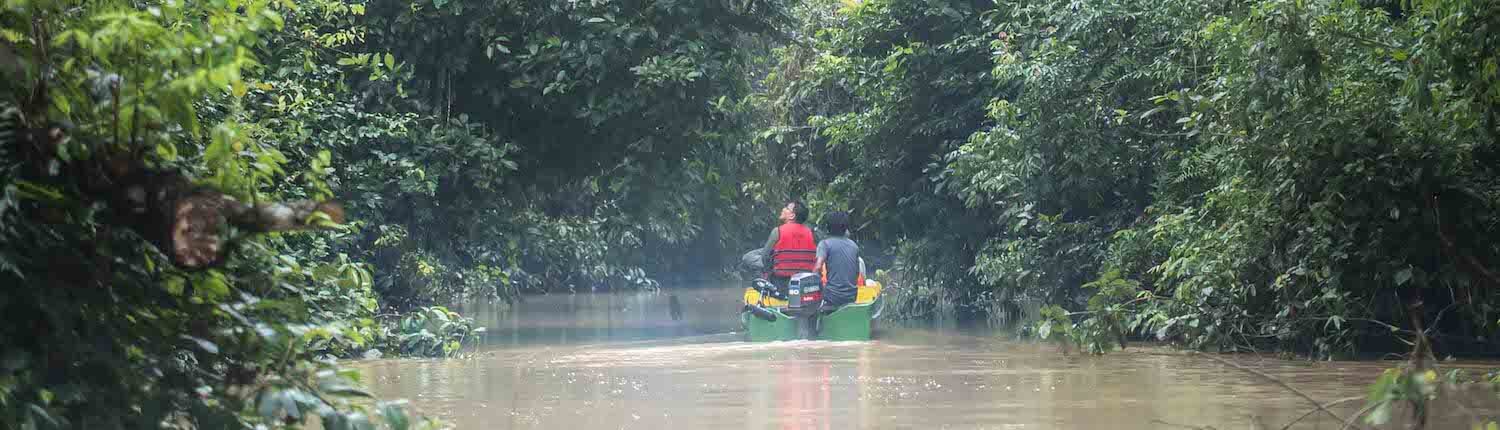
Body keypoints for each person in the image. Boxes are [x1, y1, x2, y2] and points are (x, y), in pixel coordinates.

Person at [761, 200, 817, 288]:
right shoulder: (811, 232)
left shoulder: (777, 231)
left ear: (792, 215)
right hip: (805, 281)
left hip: (781, 280)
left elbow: (764, 257)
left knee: (750, 257)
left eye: (786, 208)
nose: (783, 209)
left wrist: (767, 272)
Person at [814, 211, 860, 308]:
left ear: (828, 227)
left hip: (832, 296)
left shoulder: (825, 244)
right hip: (852, 295)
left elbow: (818, 267)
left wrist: (817, 284)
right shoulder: (854, 246)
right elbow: (856, 273)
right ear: (846, 228)